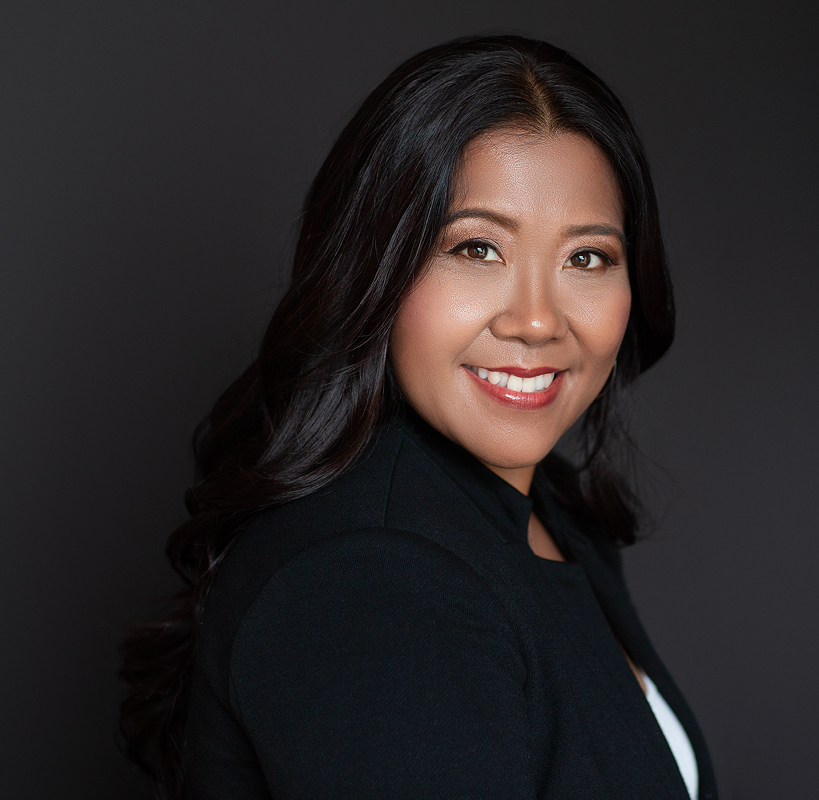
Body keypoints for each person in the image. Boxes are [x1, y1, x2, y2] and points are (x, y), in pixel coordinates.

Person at [120, 34, 717, 800]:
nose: (537, 321)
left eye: (586, 258)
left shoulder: (554, 513)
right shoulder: (374, 580)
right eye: (475, 248)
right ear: (375, 266)